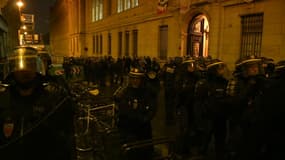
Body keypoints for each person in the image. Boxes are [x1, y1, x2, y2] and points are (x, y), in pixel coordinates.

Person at [0, 47, 76, 160]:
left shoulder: (54, 97)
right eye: (21, 66)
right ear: (12, 70)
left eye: (30, 65)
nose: (24, 70)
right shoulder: (3, 99)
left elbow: (66, 137)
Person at [226, 55, 268, 160]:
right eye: (251, 67)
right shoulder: (235, 81)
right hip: (240, 121)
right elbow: (234, 102)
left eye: (256, 66)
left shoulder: (260, 81)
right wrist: (249, 87)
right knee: (240, 147)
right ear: (244, 69)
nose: (255, 69)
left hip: (256, 120)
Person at [114, 66, 157, 160]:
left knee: (143, 153)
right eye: (133, 78)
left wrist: (144, 119)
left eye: (137, 78)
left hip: (143, 129)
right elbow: (118, 103)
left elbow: (152, 109)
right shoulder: (125, 91)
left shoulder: (147, 91)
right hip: (127, 129)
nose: (135, 81)